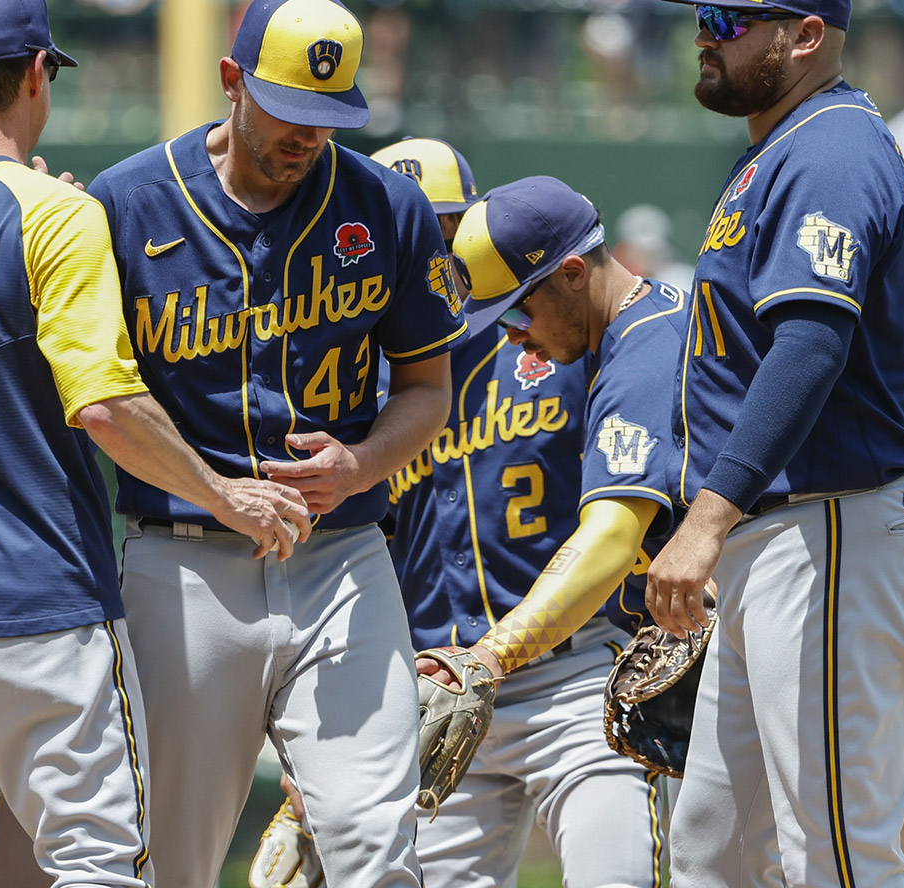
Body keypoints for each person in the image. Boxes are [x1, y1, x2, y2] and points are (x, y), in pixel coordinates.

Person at [0, 0, 306, 888]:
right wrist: (222, 493)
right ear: (39, 75)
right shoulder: (55, 212)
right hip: (35, 607)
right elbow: (103, 406)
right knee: (98, 861)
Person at [87, 0, 466, 887]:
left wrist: (366, 459)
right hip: (184, 566)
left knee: (377, 842)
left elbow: (427, 388)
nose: (306, 136)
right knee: (171, 856)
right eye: (288, 110)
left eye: (327, 117)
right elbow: (98, 398)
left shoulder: (383, 206)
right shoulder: (128, 204)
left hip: (341, 558)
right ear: (231, 80)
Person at [274, 154, 689, 888]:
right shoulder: (368, 377)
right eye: (408, 233)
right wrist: (327, 757)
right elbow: (347, 565)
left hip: (573, 671)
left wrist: (491, 658)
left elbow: (622, 523)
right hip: (435, 693)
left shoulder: (580, 340)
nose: (428, 251)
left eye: (442, 230)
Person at [649, 0, 904, 888]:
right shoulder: (779, 151)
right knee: (714, 849)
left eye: (734, 21)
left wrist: (705, 522)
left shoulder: (829, 149)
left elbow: (811, 346)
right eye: (703, 16)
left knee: (833, 854)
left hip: (833, 526)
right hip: (780, 535)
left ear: (805, 35)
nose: (708, 36)